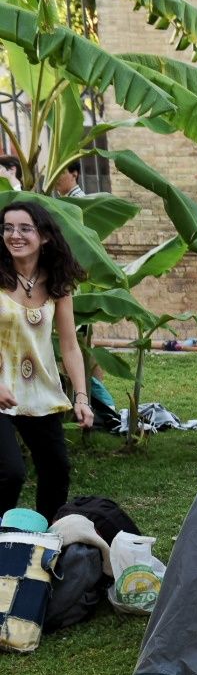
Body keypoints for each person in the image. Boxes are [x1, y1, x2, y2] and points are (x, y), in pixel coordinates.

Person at [0, 199, 95, 518]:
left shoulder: (57, 283)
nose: (15, 235)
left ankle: (47, 546)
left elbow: (69, 346)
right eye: (8, 228)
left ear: (45, 237)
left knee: (57, 470)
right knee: (9, 473)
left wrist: (82, 397)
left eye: (25, 228)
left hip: (38, 389)